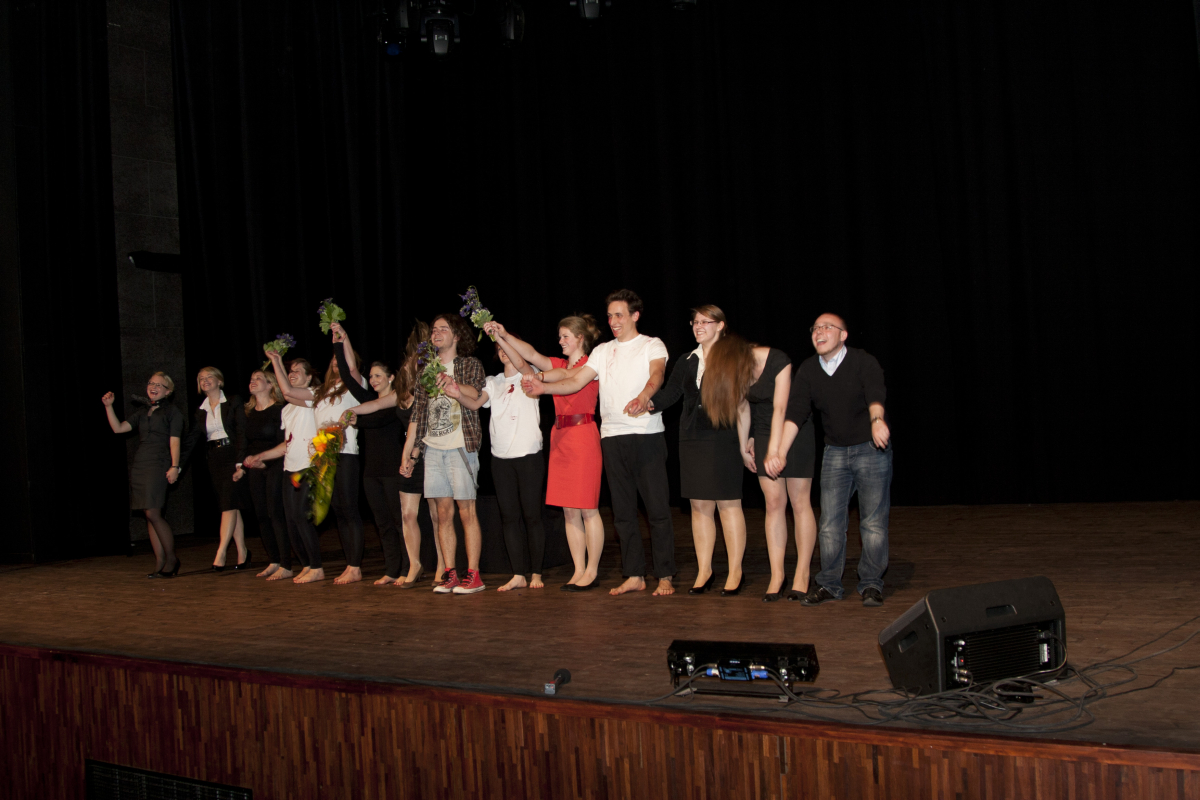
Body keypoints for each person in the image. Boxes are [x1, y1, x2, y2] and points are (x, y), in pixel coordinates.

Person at [525, 289, 676, 597]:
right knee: (623, 512)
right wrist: (543, 387)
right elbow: (576, 380)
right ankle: (634, 575)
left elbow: (658, 374)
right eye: (610, 316)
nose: (613, 321)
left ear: (635, 315)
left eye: (619, 315)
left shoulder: (651, 344)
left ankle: (665, 575)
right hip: (612, 436)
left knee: (657, 510)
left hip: (646, 434)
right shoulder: (603, 351)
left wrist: (644, 396)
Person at [765, 313, 892, 608]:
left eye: (827, 327)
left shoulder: (863, 361)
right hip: (835, 451)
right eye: (815, 328)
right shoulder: (809, 369)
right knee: (830, 525)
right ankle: (830, 584)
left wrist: (877, 420)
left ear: (843, 335)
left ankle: (871, 583)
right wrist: (780, 451)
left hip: (870, 449)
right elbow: (796, 412)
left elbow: (875, 393)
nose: (819, 332)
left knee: (873, 523)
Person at [483, 315, 604, 592]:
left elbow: (569, 381)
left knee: (588, 508)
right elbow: (531, 355)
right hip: (560, 436)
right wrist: (502, 335)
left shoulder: (592, 365)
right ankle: (579, 569)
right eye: (559, 336)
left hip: (583, 434)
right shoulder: (560, 363)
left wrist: (541, 383)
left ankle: (592, 570)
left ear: (580, 338)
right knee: (569, 510)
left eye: (565, 336)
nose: (560, 341)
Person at [648, 305, 751, 596]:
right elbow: (671, 394)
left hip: (725, 437)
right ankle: (705, 570)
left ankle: (735, 571)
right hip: (692, 439)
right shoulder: (687, 359)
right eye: (695, 322)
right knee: (699, 506)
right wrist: (647, 402)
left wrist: (746, 444)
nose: (698, 326)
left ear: (721, 325)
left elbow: (744, 403)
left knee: (728, 505)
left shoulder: (735, 356)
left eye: (706, 321)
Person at [443, 328, 545, 592]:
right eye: (498, 349)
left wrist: (501, 336)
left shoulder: (530, 374)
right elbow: (476, 404)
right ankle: (518, 574)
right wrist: (457, 394)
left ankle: (536, 572)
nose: (503, 352)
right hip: (501, 458)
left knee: (532, 515)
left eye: (506, 347)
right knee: (509, 517)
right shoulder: (493, 381)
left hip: (529, 455)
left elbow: (522, 362)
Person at [347, 321, 445, 588]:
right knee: (407, 515)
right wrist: (351, 412)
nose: (407, 366)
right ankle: (414, 564)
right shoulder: (402, 395)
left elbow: (421, 427)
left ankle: (441, 565)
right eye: (406, 362)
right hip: (409, 458)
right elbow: (376, 404)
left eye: (413, 362)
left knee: (436, 515)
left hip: (429, 455)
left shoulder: (430, 391)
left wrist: (411, 455)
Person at [401, 313, 487, 595]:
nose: (436, 333)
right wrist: (411, 453)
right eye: (434, 330)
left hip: (460, 446)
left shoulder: (468, 364)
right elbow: (419, 414)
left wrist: (452, 384)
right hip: (433, 450)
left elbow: (476, 393)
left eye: (443, 329)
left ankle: (473, 575)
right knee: (442, 513)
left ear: (457, 336)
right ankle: (450, 572)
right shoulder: (426, 369)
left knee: (466, 511)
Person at [331, 323, 411, 586]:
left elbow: (377, 420)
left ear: (391, 377)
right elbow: (347, 374)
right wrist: (340, 340)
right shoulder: (367, 400)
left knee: (400, 522)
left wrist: (357, 419)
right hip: (371, 471)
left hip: (393, 469)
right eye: (372, 376)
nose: (374, 380)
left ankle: (408, 569)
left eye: (378, 376)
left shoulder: (398, 400)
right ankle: (391, 570)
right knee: (382, 523)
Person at [745, 345, 817, 602]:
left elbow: (781, 408)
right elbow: (744, 405)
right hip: (764, 430)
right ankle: (777, 575)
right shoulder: (734, 367)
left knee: (799, 501)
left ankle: (802, 574)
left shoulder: (777, 359)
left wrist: (776, 451)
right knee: (773, 503)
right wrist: (750, 438)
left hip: (794, 428)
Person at [102, 373, 184, 578]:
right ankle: (160, 561)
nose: (153, 387)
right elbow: (119, 428)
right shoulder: (142, 411)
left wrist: (175, 466)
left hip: (159, 462)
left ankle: (172, 559)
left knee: (154, 513)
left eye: (159, 385)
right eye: (151, 383)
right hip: (141, 464)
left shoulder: (172, 412)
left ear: (168, 391)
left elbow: (175, 441)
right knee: (148, 514)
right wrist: (109, 406)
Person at [253, 353, 320, 583]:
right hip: (290, 468)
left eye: (297, 371)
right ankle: (306, 564)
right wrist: (261, 456)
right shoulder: (287, 409)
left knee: (301, 516)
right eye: (290, 371)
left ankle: (317, 566)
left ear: (309, 378)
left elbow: (288, 392)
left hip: (309, 466)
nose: (292, 374)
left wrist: (277, 362)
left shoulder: (314, 396)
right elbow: (287, 443)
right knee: (290, 519)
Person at [180, 367, 248, 571]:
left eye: (209, 376)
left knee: (228, 505)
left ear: (219, 381)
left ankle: (221, 552)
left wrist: (240, 462)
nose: (205, 380)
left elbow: (242, 431)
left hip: (232, 455)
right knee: (230, 505)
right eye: (201, 378)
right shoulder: (200, 410)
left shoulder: (233, 401)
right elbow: (191, 440)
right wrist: (177, 465)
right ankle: (243, 552)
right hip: (215, 459)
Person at [232, 370, 292, 580]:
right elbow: (245, 443)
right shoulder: (249, 412)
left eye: (258, 378)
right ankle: (274, 561)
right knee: (261, 514)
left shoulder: (279, 410)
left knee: (275, 513)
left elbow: (284, 443)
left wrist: (263, 460)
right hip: (255, 467)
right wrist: (243, 467)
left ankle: (286, 564)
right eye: (251, 379)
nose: (253, 381)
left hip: (275, 464)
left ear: (270, 385)